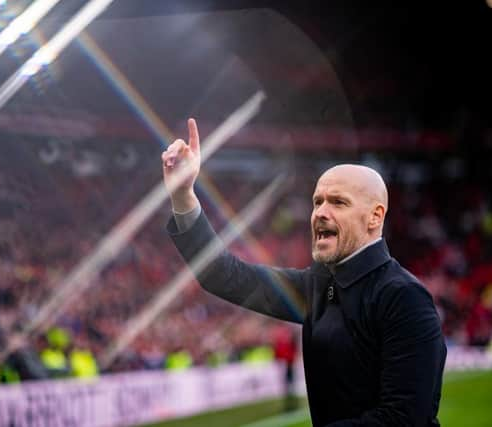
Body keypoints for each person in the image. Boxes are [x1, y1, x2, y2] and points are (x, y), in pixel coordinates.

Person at [162, 118, 446, 426]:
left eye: (338, 202)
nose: (321, 212)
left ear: (375, 217)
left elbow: (403, 419)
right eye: (317, 202)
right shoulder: (319, 286)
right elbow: (223, 274)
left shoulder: (403, 297)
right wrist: (183, 196)